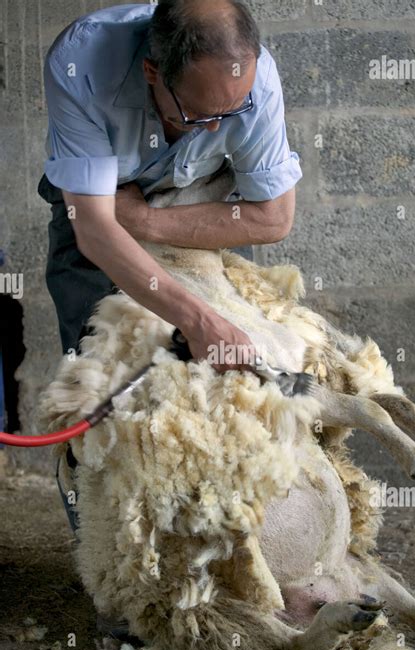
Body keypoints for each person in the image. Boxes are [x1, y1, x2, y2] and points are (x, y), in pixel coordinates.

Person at [38, 0, 302, 546]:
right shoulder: (82, 61)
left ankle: (232, 554)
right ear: (152, 74)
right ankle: (120, 577)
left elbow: (273, 217)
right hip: (94, 214)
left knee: (228, 396)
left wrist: (147, 220)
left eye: (234, 113)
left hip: (190, 209)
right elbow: (94, 230)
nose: (220, 125)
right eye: (200, 117)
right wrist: (197, 320)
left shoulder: (253, 83)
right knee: (97, 392)